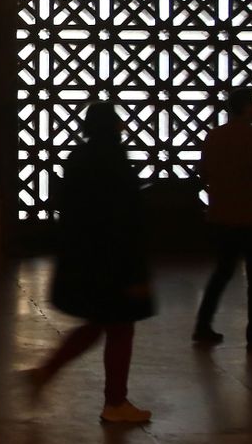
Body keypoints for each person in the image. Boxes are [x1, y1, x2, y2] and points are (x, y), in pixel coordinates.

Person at [24, 102, 156, 424]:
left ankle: (46, 371)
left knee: (99, 324)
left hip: (85, 259)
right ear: (114, 126)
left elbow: (66, 207)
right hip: (115, 263)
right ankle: (115, 402)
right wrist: (137, 271)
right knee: (120, 328)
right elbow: (127, 218)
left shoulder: (78, 158)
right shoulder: (115, 160)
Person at [192, 87, 252, 351]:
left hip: (222, 216)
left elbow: (203, 173)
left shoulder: (214, 136)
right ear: (246, 107)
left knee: (221, 272)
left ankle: (202, 325)